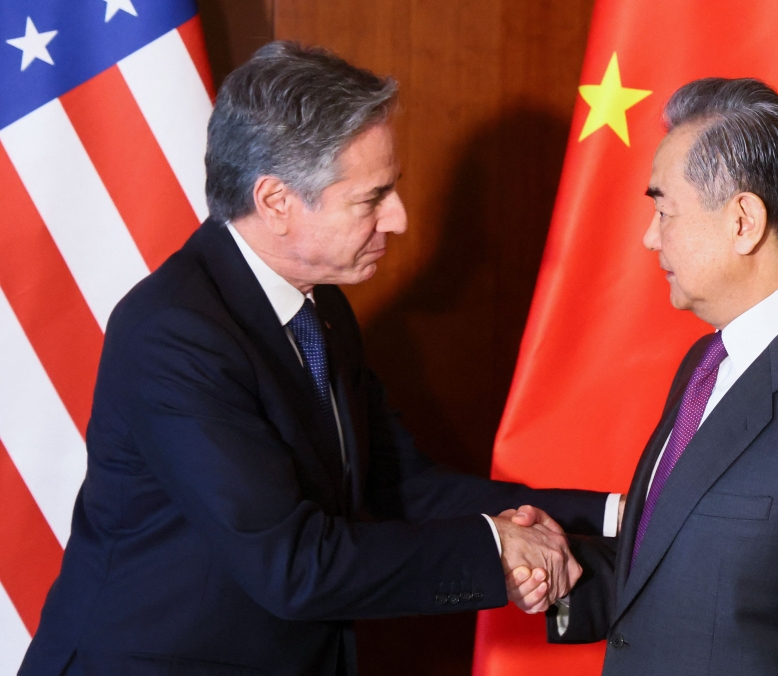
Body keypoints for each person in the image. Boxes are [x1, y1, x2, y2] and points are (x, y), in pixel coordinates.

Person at [19, 42, 624, 676]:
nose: (400, 219)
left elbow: (400, 488)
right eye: (372, 198)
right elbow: (292, 565)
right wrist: (500, 548)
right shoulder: (174, 333)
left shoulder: (322, 311)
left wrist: (610, 515)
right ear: (276, 201)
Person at [536, 78, 778, 675]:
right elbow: (686, 573)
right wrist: (560, 569)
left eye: (664, 210)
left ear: (743, 221)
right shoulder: (707, 361)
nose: (649, 236)